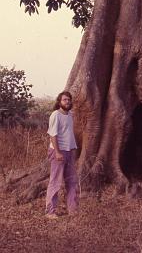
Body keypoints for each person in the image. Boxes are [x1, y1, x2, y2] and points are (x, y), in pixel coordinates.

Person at [45, 91, 79, 219]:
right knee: (55, 182)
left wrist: (73, 149)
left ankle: (73, 209)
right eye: (65, 100)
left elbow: (68, 133)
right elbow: (53, 134)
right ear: (59, 102)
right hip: (58, 152)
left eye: (69, 99)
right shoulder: (56, 115)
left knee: (72, 181)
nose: (67, 102)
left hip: (69, 151)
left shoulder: (70, 115)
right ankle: (50, 212)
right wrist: (58, 152)